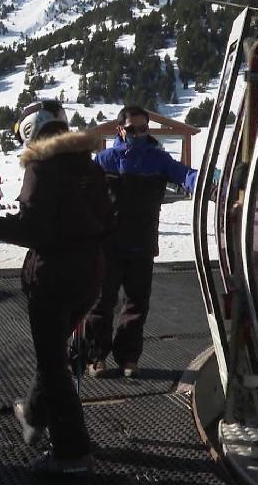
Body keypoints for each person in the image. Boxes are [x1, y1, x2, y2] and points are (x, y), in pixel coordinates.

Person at [0, 100, 110, 476]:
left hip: (53, 280)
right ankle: (32, 412)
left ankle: (72, 454)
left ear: (30, 130)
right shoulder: (90, 166)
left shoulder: (41, 168)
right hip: (89, 276)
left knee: (53, 365)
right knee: (54, 355)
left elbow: (33, 229)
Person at [85, 105, 197, 378]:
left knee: (137, 303)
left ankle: (128, 358)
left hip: (141, 242)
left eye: (143, 129)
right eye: (132, 129)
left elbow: (186, 175)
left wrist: (210, 184)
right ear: (120, 129)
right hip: (107, 244)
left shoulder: (157, 160)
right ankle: (96, 356)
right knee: (102, 301)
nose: (138, 134)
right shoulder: (104, 160)